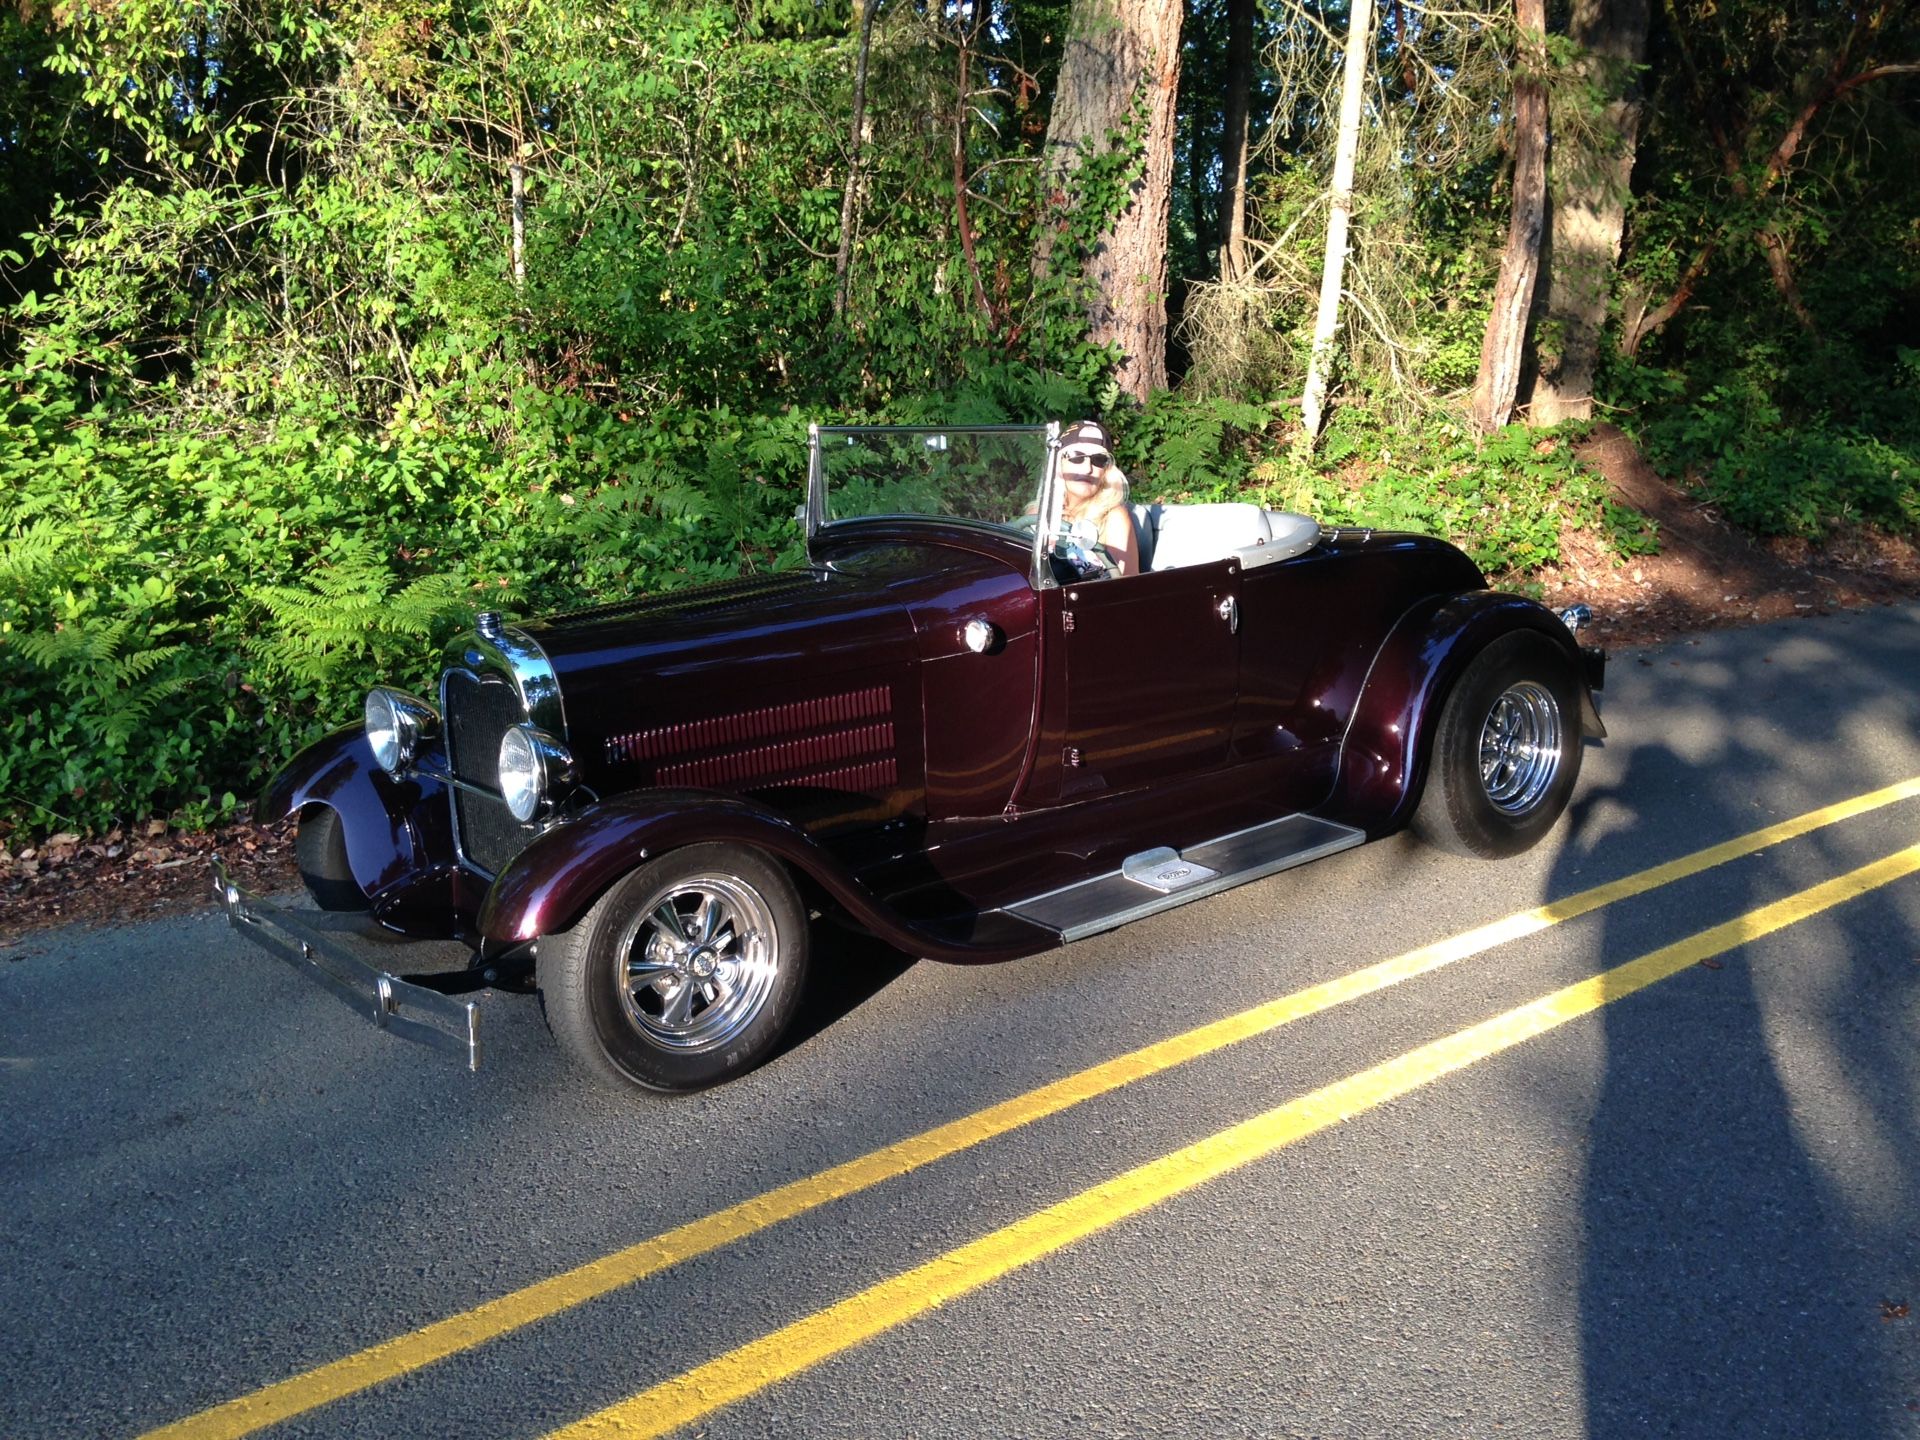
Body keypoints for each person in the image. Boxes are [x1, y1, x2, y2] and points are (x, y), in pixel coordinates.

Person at [1053, 419, 1140, 578]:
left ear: (1106, 470)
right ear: (1059, 464)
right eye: (1076, 457)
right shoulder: (1039, 513)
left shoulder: (1113, 517)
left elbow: (1127, 589)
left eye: (1099, 460)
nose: (1087, 468)